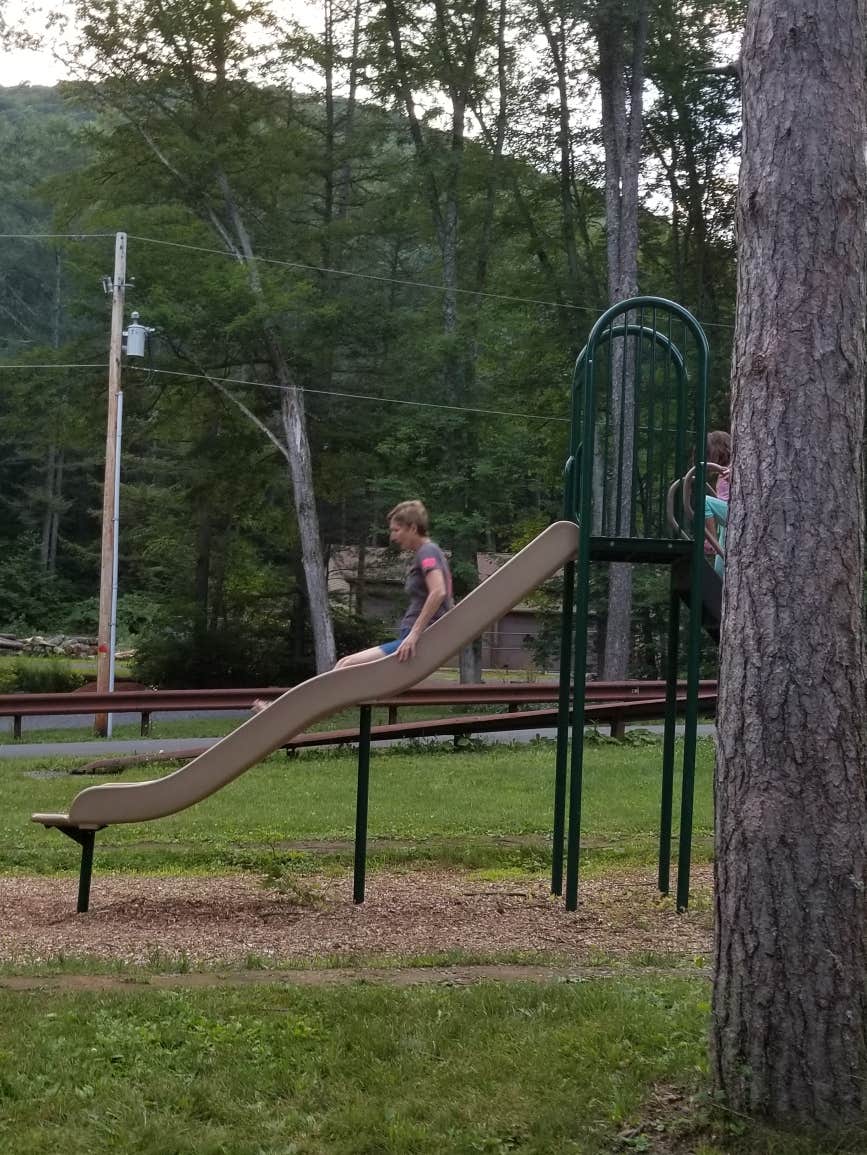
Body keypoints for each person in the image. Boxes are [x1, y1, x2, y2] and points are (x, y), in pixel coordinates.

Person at [334, 500, 453, 669]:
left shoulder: (428, 551)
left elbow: (439, 591)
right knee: (344, 664)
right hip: (411, 637)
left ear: (412, 528)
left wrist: (414, 634)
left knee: (346, 665)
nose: (392, 537)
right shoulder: (427, 552)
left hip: (415, 639)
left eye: (396, 530)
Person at [703, 430, 731, 577]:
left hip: (734, 515)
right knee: (720, 572)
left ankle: (710, 540)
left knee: (704, 501)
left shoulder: (735, 467)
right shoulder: (721, 472)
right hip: (725, 525)